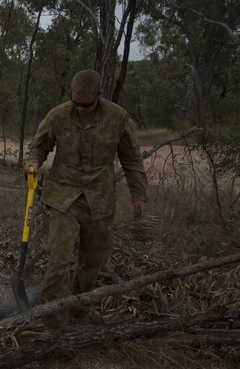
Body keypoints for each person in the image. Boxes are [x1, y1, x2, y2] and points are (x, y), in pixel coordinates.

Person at [26, 69, 148, 327]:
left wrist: (139, 195)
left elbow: (132, 159)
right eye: (76, 103)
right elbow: (39, 146)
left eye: (86, 105)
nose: (80, 109)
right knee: (59, 259)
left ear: (99, 96)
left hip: (99, 199)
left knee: (92, 261)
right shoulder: (57, 115)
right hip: (63, 196)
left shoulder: (117, 118)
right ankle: (51, 321)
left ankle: (78, 314)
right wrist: (33, 162)